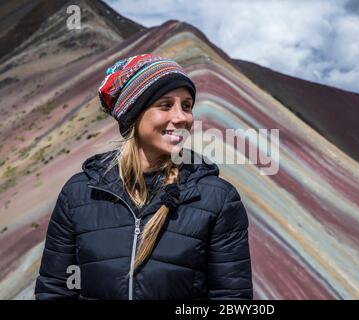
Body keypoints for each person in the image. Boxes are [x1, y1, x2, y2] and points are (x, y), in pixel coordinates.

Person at [34, 53, 253, 300]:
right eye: (166, 105)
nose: (182, 117)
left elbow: (232, 300)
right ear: (134, 114)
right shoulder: (80, 193)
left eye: (187, 106)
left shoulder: (217, 198)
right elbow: (54, 290)